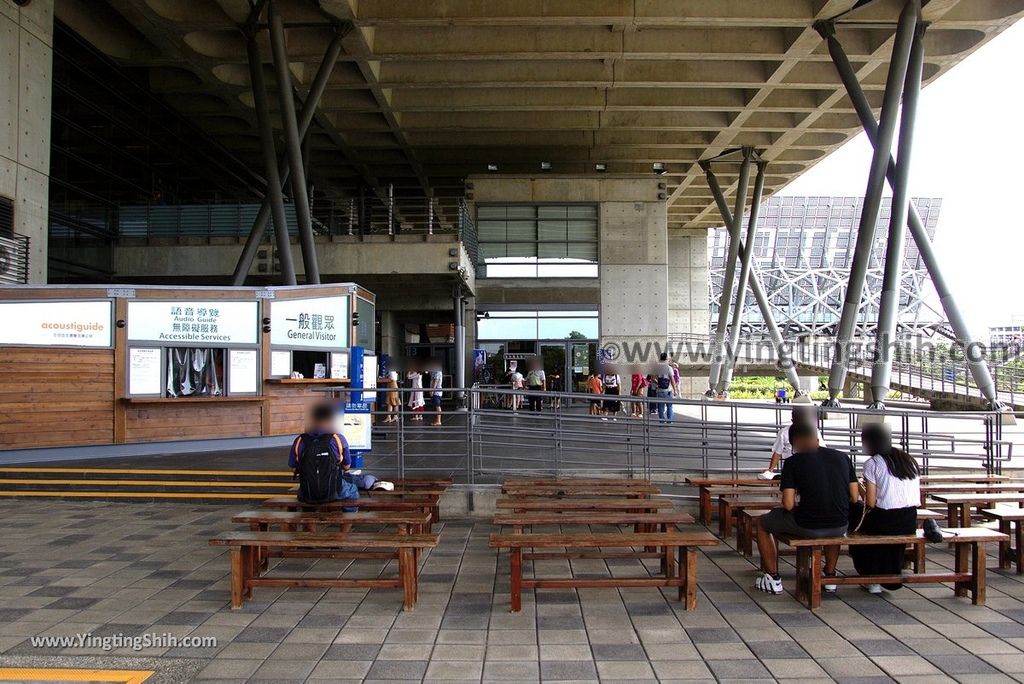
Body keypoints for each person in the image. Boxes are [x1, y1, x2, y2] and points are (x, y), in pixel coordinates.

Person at [754, 421, 859, 595]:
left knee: (762, 523)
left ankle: (772, 577)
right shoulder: (842, 457)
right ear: (816, 437)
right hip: (841, 524)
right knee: (833, 526)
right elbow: (854, 497)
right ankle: (830, 576)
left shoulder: (793, 462)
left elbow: (788, 504)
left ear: (794, 442)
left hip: (807, 524)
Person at [849, 424, 922, 593]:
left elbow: (871, 502)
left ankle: (871, 578)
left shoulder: (873, 463)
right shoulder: (908, 459)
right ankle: (887, 576)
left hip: (885, 519)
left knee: (855, 516)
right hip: (910, 518)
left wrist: (858, 485)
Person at [289, 402, 359, 510]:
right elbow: (347, 466)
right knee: (353, 491)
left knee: (307, 501)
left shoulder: (300, 440)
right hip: (334, 490)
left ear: (313, 419)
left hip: (307, 492)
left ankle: (309, 522)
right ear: (330, 419)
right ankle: (345, 524)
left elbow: (293, 467)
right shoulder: (338, 439)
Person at [759, 405, 827, 479]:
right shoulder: (784, 432)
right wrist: (770, 470)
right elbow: (777, 453)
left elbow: (822, 449)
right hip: (793, 466)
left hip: (810, 464)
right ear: (792, 420)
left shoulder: (813, 430)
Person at [654, 353, 677, 423]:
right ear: (666, 359)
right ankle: (669, 421)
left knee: (660, 407)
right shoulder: (669, 368)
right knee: (669, 406)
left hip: (659, 390)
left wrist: (658, 383)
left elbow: (652, 378)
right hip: (668, 390)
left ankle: (661, 421)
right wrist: (675, 390)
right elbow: (672, 379)